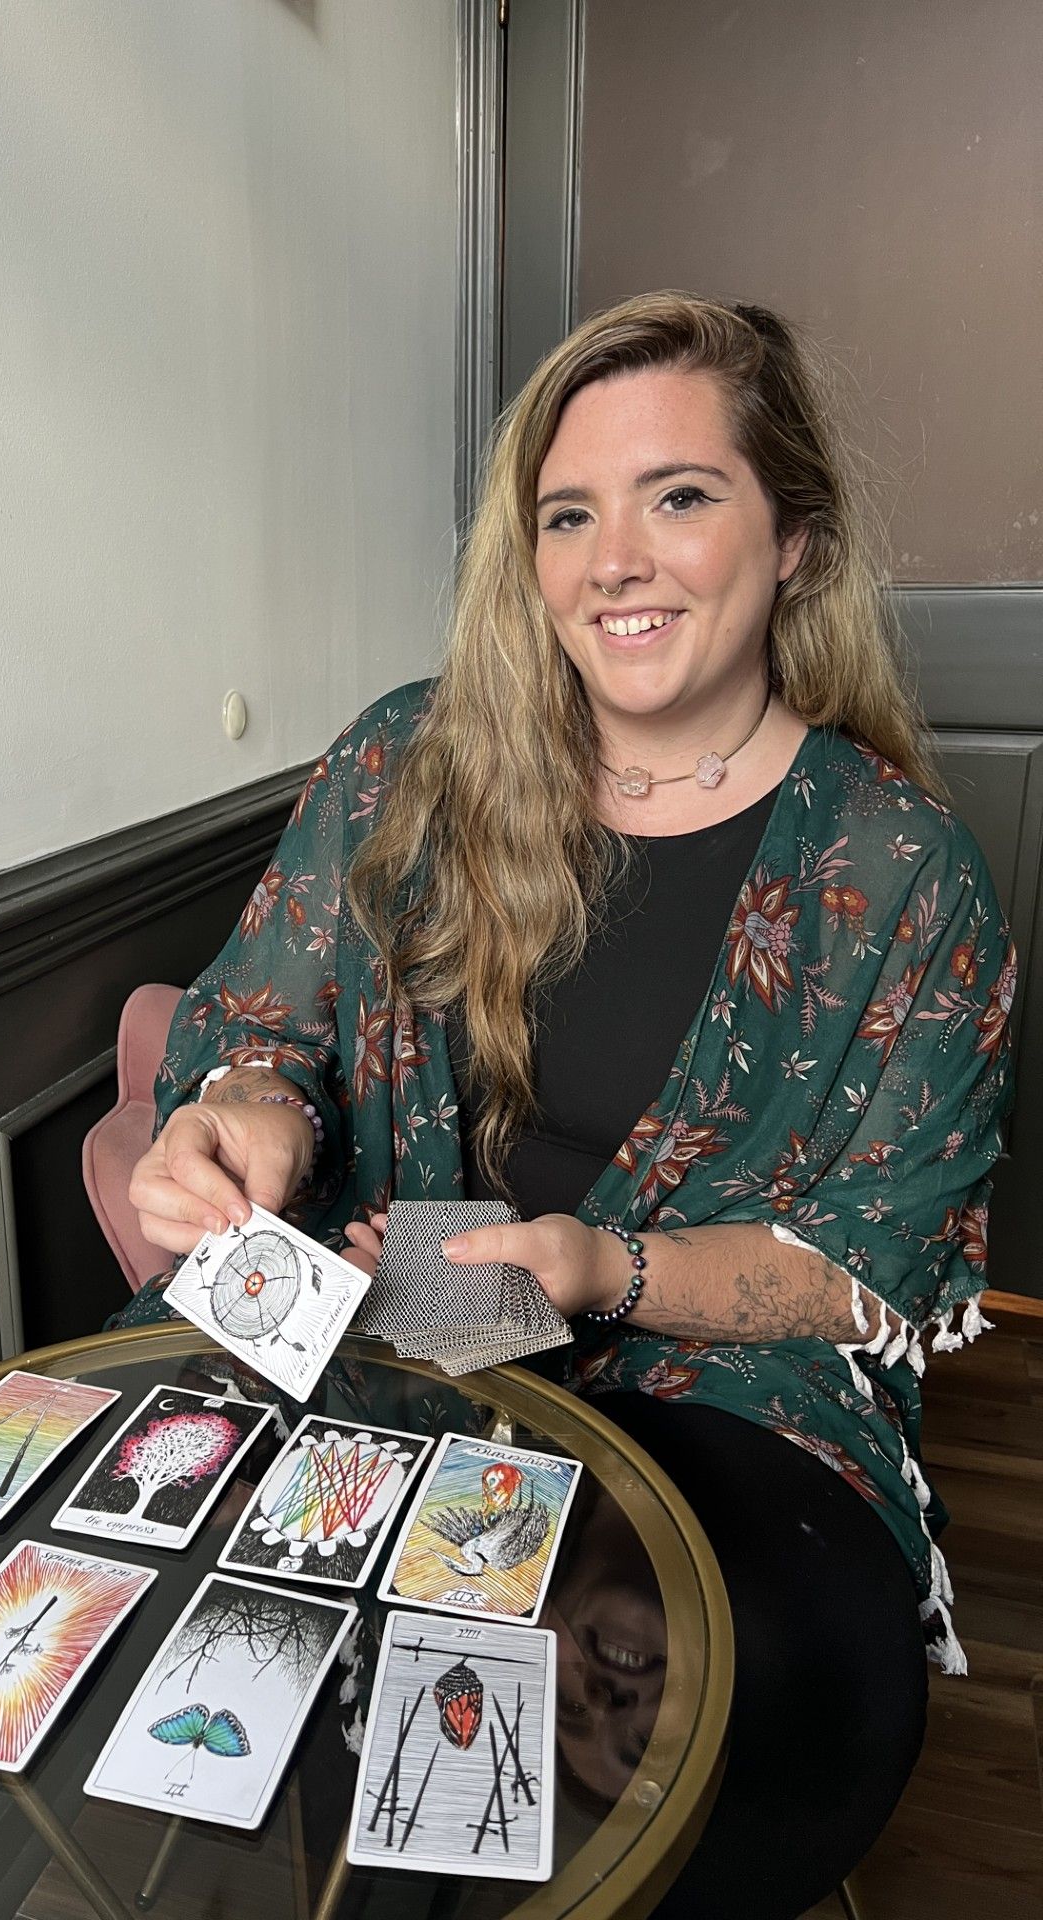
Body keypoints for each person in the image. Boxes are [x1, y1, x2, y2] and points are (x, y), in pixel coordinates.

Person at [117, 292, 1015, 1917]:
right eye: (568, 514)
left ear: (795, 538)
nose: (617, 558)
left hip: (725, 1389)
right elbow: (261, 1030)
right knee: (203, 1686)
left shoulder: (901, 872)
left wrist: (603, 1274)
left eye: (681, 496)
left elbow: (879, 1266)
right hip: (393, 1323)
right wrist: (251, 1116)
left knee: (673, 1759)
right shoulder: (409, 767)